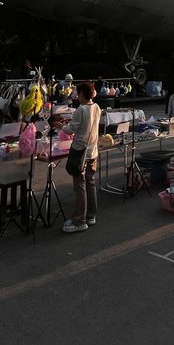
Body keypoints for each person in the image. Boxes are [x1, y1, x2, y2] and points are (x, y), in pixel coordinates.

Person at [62, 81, 100, 233]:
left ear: (83, 93)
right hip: (93, 151)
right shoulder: (96, 107)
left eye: (78, 93)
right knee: (90, 183)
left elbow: (70, 129)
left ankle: (79, 221)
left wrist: (60, 127)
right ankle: (91, 216)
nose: (77, 96)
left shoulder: (81, 109)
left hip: (80, 152)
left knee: (80, 186)